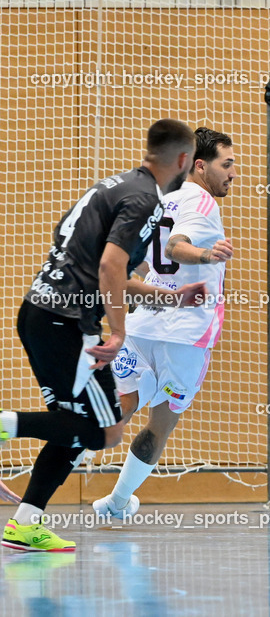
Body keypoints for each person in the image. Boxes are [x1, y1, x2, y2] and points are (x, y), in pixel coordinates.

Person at [0, 119, 206, 552]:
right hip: (67, 323)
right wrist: (117, 330)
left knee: (72, 428)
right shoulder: (145, 200)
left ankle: (24, 524)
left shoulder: (112, 187)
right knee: (106, 431)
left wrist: (171, 298)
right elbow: (111, 268)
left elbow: (109, 270)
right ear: (185, 160)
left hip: (40, 313)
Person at [93, 127, 237, 519]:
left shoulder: (161, 200)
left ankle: (19, 428)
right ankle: (119, 503)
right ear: (201, 166)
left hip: (143, 328)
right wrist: (206, 256)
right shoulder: (203, 203)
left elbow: (139, 262)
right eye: (227, 164)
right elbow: (177, 247)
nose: (233, 173)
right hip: (187, 334)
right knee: (161, 425)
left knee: (114, 413)